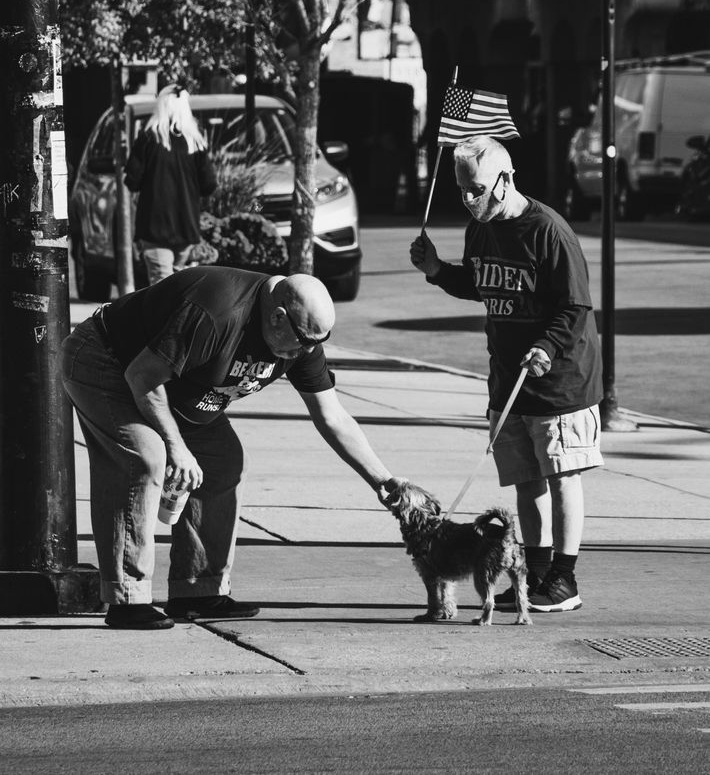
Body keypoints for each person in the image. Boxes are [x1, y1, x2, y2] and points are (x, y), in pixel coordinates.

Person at [60, 267, 400, 629]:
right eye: (302, 340)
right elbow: (142, 377)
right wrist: (175, 447)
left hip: (174, 388)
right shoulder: (216, 312)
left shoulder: (303, 339)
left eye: (318, 341)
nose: (306, 351)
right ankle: (127, 598)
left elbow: (331, 416)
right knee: (146, 458)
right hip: (108, 361)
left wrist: (382, 480)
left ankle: (198, 591)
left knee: (223, 462)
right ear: (278, 316)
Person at [410, 136, 603, 614]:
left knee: (561, 475)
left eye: (476, 188)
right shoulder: (481, 229)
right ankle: (534, 571)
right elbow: (479, 284)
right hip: (507, 380)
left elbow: (575, 305)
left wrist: (544, 345)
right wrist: (437, 271)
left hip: (560, 379)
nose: (468, 199)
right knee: (526, 480)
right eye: (461, 190)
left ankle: (563, 578)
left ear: (505, 178)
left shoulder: (549, 231)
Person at [124, 83, 217, 285]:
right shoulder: (195, 142)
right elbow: (209, 184)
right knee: (178, 285)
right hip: (186, 227)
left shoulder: (148, 139)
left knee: (161, 284)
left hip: (154, 228)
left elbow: (132, 180)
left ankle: (164, 317)